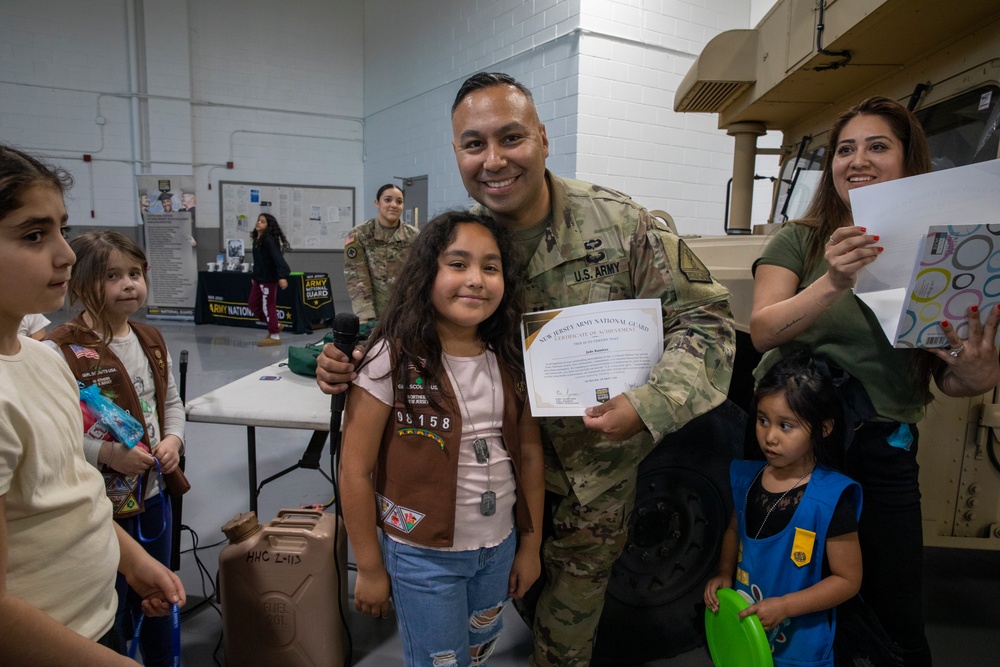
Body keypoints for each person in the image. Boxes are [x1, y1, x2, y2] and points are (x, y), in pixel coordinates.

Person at [319, 72, 736, 666]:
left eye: (511, 138)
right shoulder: (462, 244)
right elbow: (408, 336)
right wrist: (348, 366)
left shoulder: (622, 227)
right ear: (458, 154)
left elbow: (707, 323)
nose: (494, 160)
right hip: (485, 487)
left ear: (542, 138)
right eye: (473, 144)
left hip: (596, 482)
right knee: (489, 627)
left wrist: (651, 404)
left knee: (564, 646)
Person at [749, 96, 1000, 667]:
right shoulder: (802, 239)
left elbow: (948, 378)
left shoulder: (945, 250)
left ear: (908, 160)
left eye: (877, 146)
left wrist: (977, 374)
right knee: (787, 592)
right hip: (791, 444)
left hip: (881, 447)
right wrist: (833, 280)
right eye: (845, 149)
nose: (857, 159)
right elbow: (763, 331)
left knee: (894, 609)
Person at [0, 144, 185, 666]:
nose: (65, 253)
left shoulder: (41, 362)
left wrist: (130, 559)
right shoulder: (54, 355)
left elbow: (72, 493)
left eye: (61, 228)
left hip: (92, 621)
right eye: (35, 236)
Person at [341, 210, 544, 665]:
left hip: (498, 549)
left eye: (491, 268)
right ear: (425, 274)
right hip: (422, 558)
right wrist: (370, 566)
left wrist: (529, 546)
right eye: (457, 264)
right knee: (441, 661)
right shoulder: (389, 357)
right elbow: (355, 469)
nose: (476, 279)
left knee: (478, 649)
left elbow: (529, 454)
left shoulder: (512, 356)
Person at [45, 230, 186, 667]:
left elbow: (171, 405)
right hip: (100, 506)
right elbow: (59, 436)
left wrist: (172, 441)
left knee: (160, 592)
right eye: (112, 276)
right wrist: (108, 456)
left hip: (152, 497)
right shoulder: (59, 350)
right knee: (115, 604)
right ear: (82, 281)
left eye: (135, 273)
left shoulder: (149, 339)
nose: (129, 284)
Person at [705, 354, 862, 667]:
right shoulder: (747, 480)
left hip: (800, 648)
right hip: (745, 634)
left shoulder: (831, 498)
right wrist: (724, 573)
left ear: (824, 428)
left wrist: (787, 606)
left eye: (786, 426)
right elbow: (735, 531)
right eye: (763, 420)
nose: (769, 436)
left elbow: (848, 580)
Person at [343, 183, 419, 337]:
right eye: (388, 200)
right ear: (377, 203)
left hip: (406, 310)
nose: (393, 205)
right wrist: (365, 315)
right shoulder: (360, 234)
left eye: (399, 201)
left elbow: (418, 274)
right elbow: (356, 276)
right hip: (374, 313)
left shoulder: (414, 235)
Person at [248, 212, 291, 347]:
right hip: (259, 279)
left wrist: (282, 276)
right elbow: (258, 262)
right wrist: (255, 277)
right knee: (253, 305)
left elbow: (278, 258)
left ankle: (274, 335)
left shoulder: (268, 240)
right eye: (258, 220)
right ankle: (275, 325)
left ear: (268, 226)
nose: (258, 223)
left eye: (262, 221)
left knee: (268, 306)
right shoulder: (257, 240)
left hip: (268, 280)